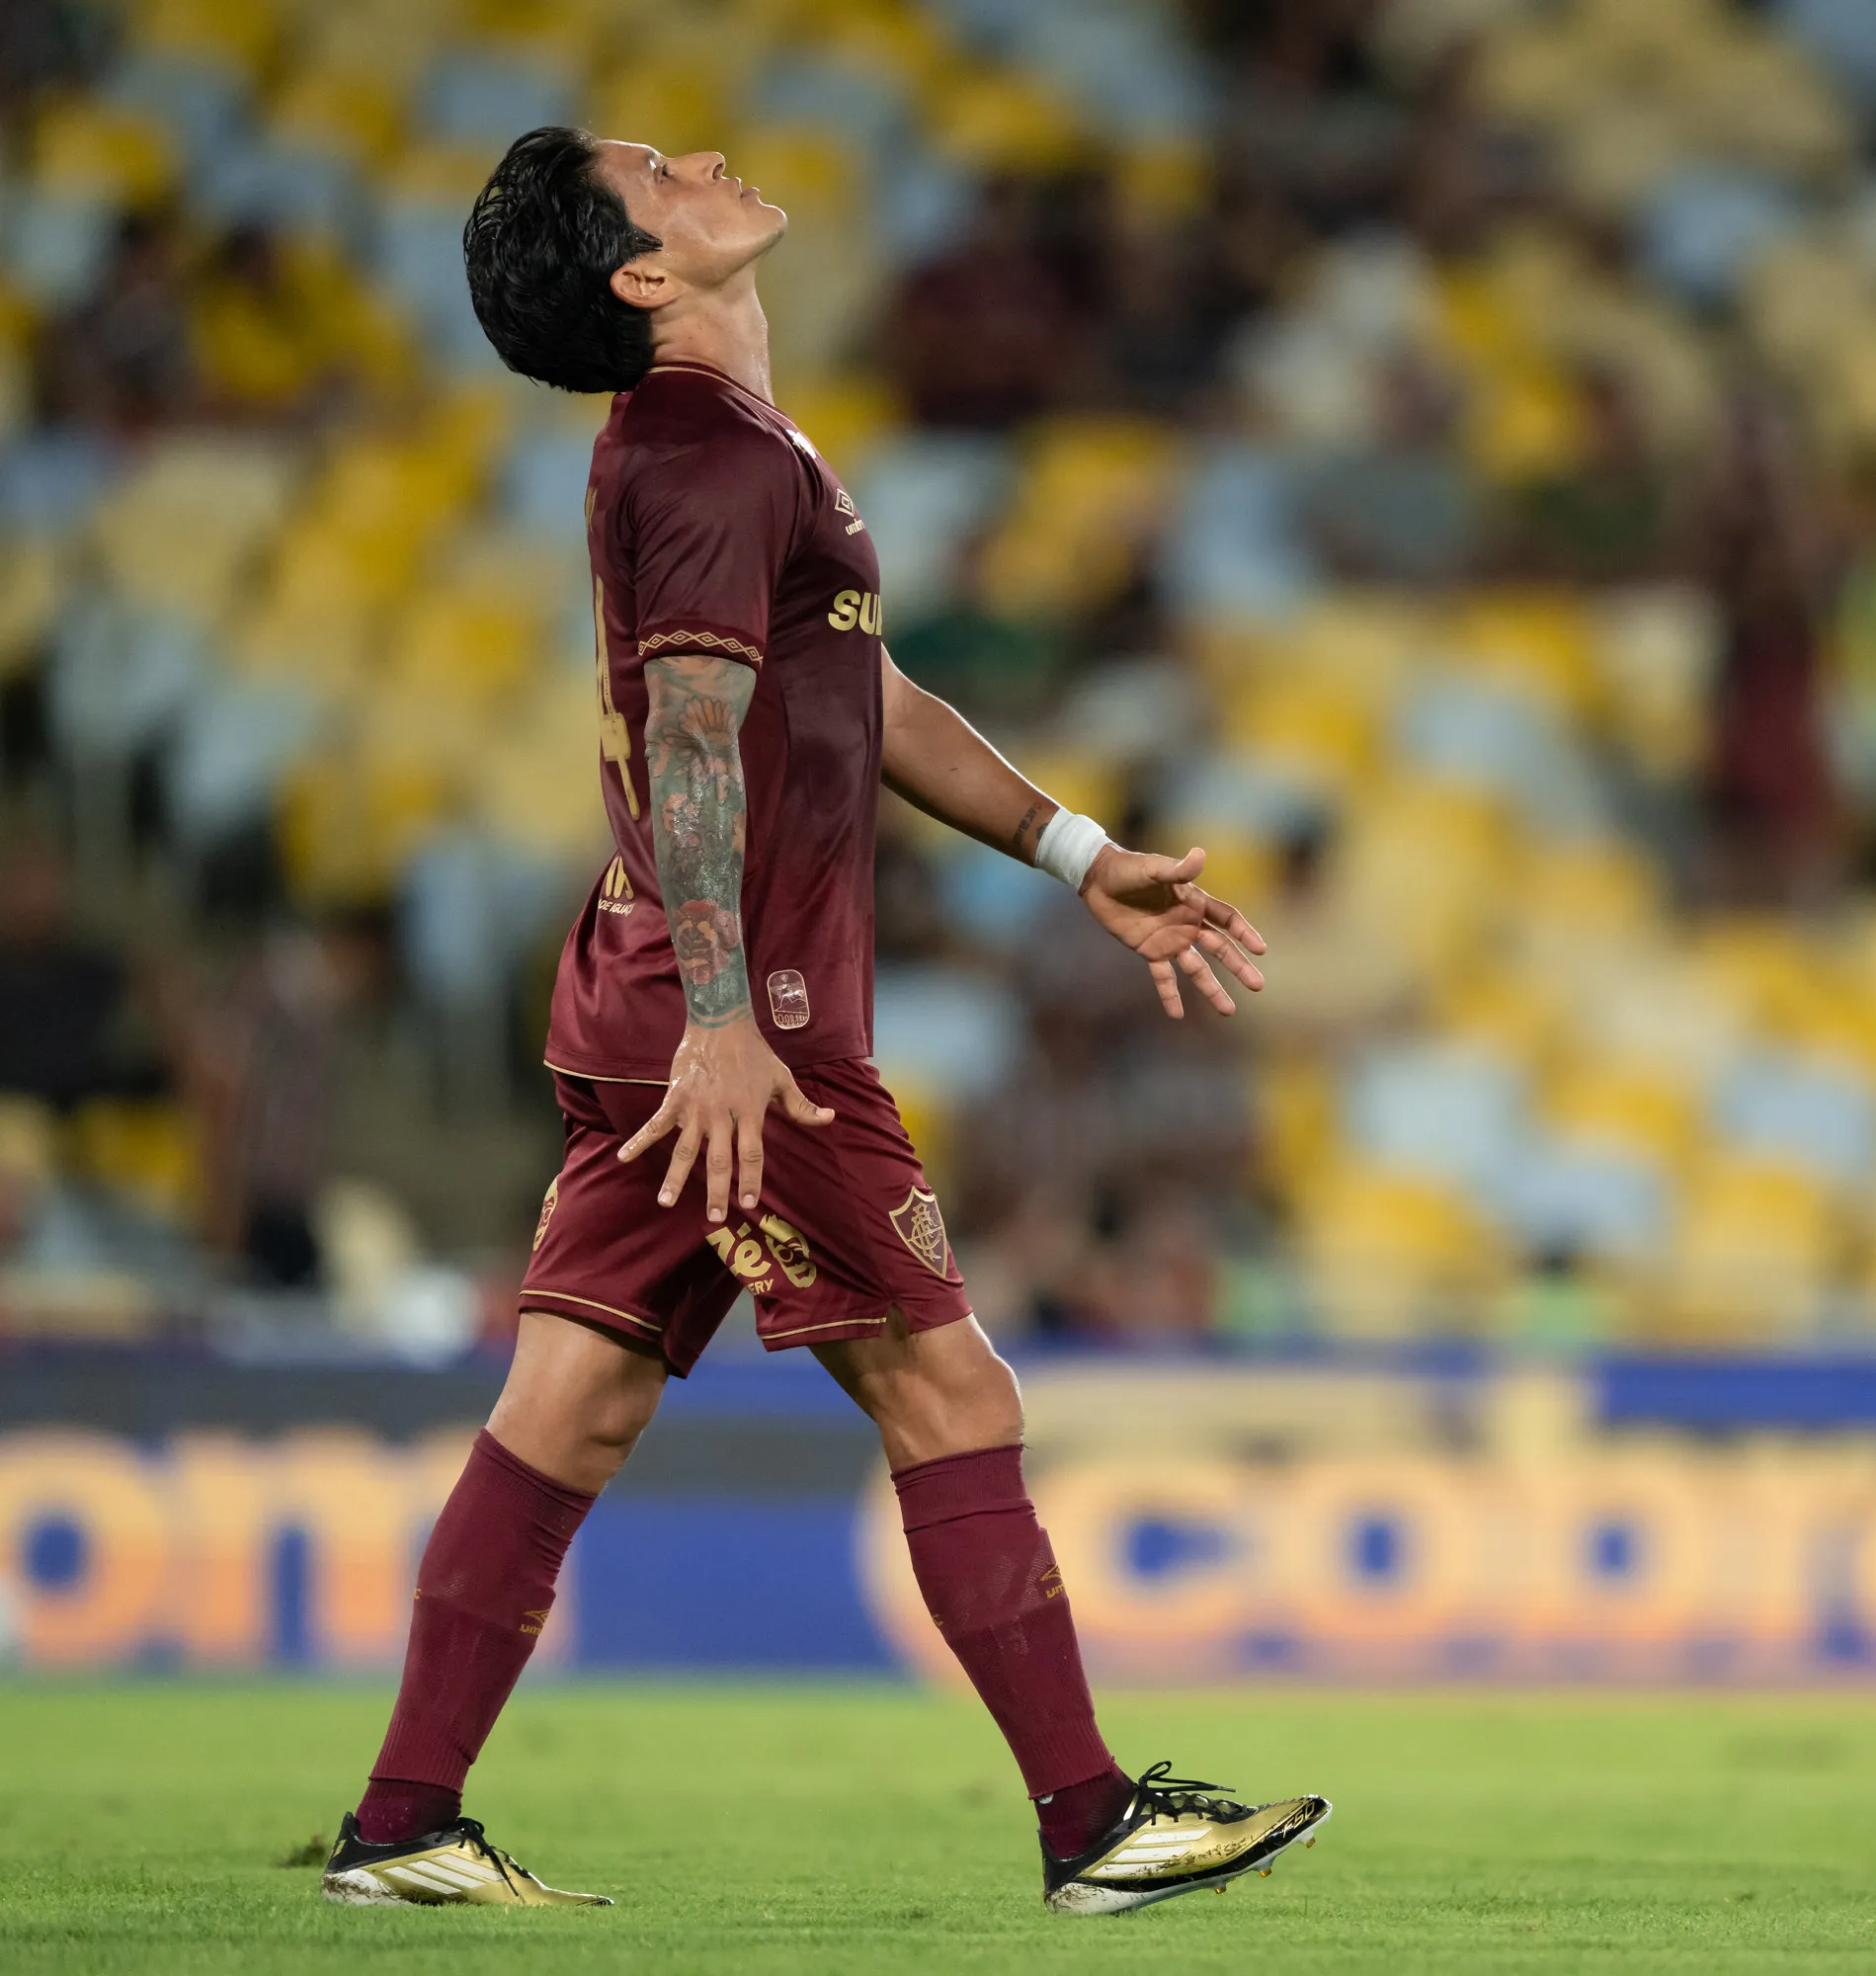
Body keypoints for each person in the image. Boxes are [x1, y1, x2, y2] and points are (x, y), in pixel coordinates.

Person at [317, 127, 1325, 1917]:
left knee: (571, 1406)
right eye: (657, 172)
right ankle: (1093, 1824)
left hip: (657, 997)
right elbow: (694, 736)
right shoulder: (708, 451)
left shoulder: (726, 444)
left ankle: (404, 1828)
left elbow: (867, 691)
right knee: (949, 1384)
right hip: (746, 1026)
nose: (702, 156)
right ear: (643, 275)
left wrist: (1075, 853)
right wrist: (729, 1020)